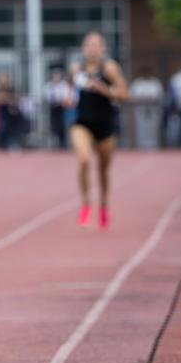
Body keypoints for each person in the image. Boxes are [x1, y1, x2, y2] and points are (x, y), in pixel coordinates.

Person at [68, 32, 128, 230]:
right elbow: (68, 86)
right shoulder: (77, 68)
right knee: (84, 159)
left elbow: (124, 95)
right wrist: (67, 96)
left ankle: (103, 203)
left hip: (105, 123)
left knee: (103, 169)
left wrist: (106, 91)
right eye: (89, 45)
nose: (92, 48)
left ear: (102, 49)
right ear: (83, 48)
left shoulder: (109, 68)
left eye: (96, 45)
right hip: (82, 122)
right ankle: (86, 202)